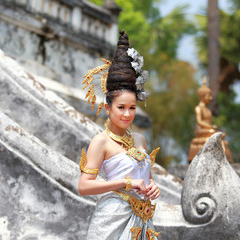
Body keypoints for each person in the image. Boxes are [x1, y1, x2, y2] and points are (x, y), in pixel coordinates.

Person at [78, 30, 161, 240]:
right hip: (112, 219)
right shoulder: (101, 141)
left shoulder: (140, 139)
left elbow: (145, 178)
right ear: (108, 107)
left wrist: (152, 187)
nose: (127, 114)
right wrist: (125, 183)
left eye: (132, 108)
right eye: (121, 107)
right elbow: (84, 186)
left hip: (143, 220)